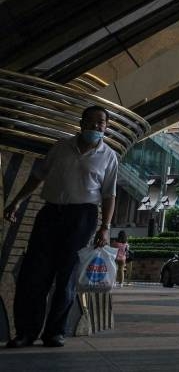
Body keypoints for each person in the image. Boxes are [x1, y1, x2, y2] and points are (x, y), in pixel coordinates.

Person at [3, 106, 119, 348]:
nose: (96, 126)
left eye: (101, 122)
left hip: (82, 217)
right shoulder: (60, 147)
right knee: (35, 274)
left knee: (67, 276)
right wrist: (17, 201)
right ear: (81, 123)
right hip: (50, 213)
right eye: (92, 121)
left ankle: (55, 332)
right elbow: (38, 176)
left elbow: (109, 194)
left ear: (106, 127)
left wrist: (105, 227)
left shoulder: (109, 156)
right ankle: (26, 332)